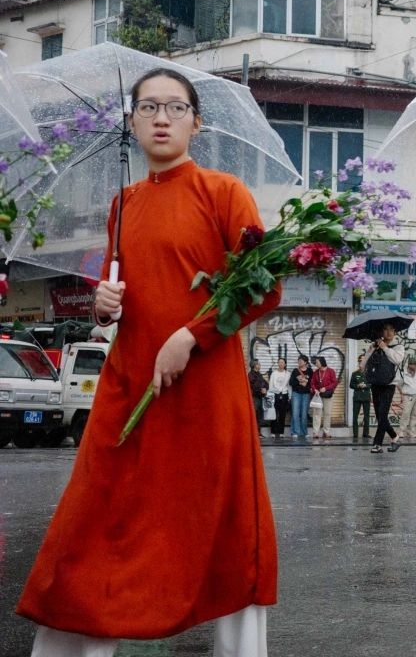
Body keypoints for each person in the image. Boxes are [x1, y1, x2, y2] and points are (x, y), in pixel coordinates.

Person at [17, 67, 282, 655]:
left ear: (196, 121)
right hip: (129, 383)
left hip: (206, 389)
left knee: (221, 526)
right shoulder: (122, 204)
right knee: (93, 520)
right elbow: (124, 295)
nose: (162, 118)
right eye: (148, 108)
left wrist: (192, 335)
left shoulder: (224, 192)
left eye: (176, 107)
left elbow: (263, 287)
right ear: (132, 122)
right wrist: (104, 305)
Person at [364, 323, 404, 454]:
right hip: (375, 383)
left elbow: (397, 360)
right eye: (385, 329)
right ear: (381, 331)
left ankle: (377, 444)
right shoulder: (375, 347)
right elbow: (362, 364)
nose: (388, 332)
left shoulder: (398, 347)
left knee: (382, 414)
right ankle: (394, 437)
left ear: (395, 332)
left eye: (391, 329)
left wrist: (385, 347)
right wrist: (372, 348)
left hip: (389, 385)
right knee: (379, 415)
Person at [309, 355, 337, 440]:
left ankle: (326, 431)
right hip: (318, 396)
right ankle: (315, 432)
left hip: (327, 395)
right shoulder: (316, 372)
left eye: (317, 362)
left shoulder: (330, 371)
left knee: (327, 413)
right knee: (317, 414)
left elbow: (334, 382)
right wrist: (315, 390)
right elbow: (312, 383)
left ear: (322, 362)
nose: (316, 364)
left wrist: (326, 388)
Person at [289, 354, 314, 442]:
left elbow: (312, 383)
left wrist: (306, 383)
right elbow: (291, 382)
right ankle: (295, 432)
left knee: (304, 414)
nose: (299, 362)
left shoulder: (310, 371)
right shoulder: (295, 371)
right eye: (298, 361)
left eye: (301, 361)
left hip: (306, 394)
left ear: (305, 362)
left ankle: (304, 432)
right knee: (295, 413)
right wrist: (299, 382)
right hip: (296, 394)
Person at [398, 358, 416, 438]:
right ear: (408, 365)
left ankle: (411, 431)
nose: (414, 366)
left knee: (415, 414)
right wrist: (402, 393)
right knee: (406, 413)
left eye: (415, 364)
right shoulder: (403, 373)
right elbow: (399, 385)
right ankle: (401, 431)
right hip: (408, 396)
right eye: (412, 364)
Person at [267, 357, 291, 439]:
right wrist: (271, 394)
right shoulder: (274, 373)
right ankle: (273, 432)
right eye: (279, 362)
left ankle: (281, 432)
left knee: (282, 415)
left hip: (284, 395)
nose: (281, 364)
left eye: (282, 362)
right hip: (274, 395)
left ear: (285, 364)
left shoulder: (288, 374)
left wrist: (290, 396)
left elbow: (289, 386)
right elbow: (270, 385)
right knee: (273, 414)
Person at [349, 353, 371, 441]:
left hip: (366, 396)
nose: (361, 362)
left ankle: (365, 433)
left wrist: (365, 385)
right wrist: (358, 385)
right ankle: (355, 434)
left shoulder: (369, 373)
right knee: (355, 416)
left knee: (366, 416)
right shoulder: (355, 373)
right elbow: (351, 385)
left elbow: (372, 383)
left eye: (363, 360)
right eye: (360, 361)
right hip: (357, 397)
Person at [248, 359, 269, 436]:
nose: (260, 365)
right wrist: (261, 388)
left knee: (259, 416)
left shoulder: (259, 374)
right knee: (255, 415)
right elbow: (254, 386)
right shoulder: (251, 375)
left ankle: (258, 433)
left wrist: (265, 388)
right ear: (254, 365)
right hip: (254, 398)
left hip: (260, 398)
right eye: (258, 364)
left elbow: (266, 384)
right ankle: (254, 433)